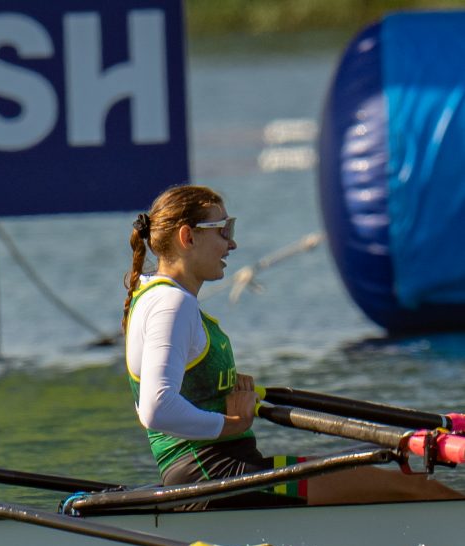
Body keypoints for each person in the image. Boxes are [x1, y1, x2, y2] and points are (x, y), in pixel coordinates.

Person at [123, 184, 461, 510]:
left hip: (224, 473)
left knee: (399, 485)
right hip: (216, 476)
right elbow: (156, 409)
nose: (233, 243)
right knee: (413, 489)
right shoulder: (171, 303)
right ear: (188, 236)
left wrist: (219, 383)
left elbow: (174, 389)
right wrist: (232, 423)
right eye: (223, 230)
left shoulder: (157, 297)